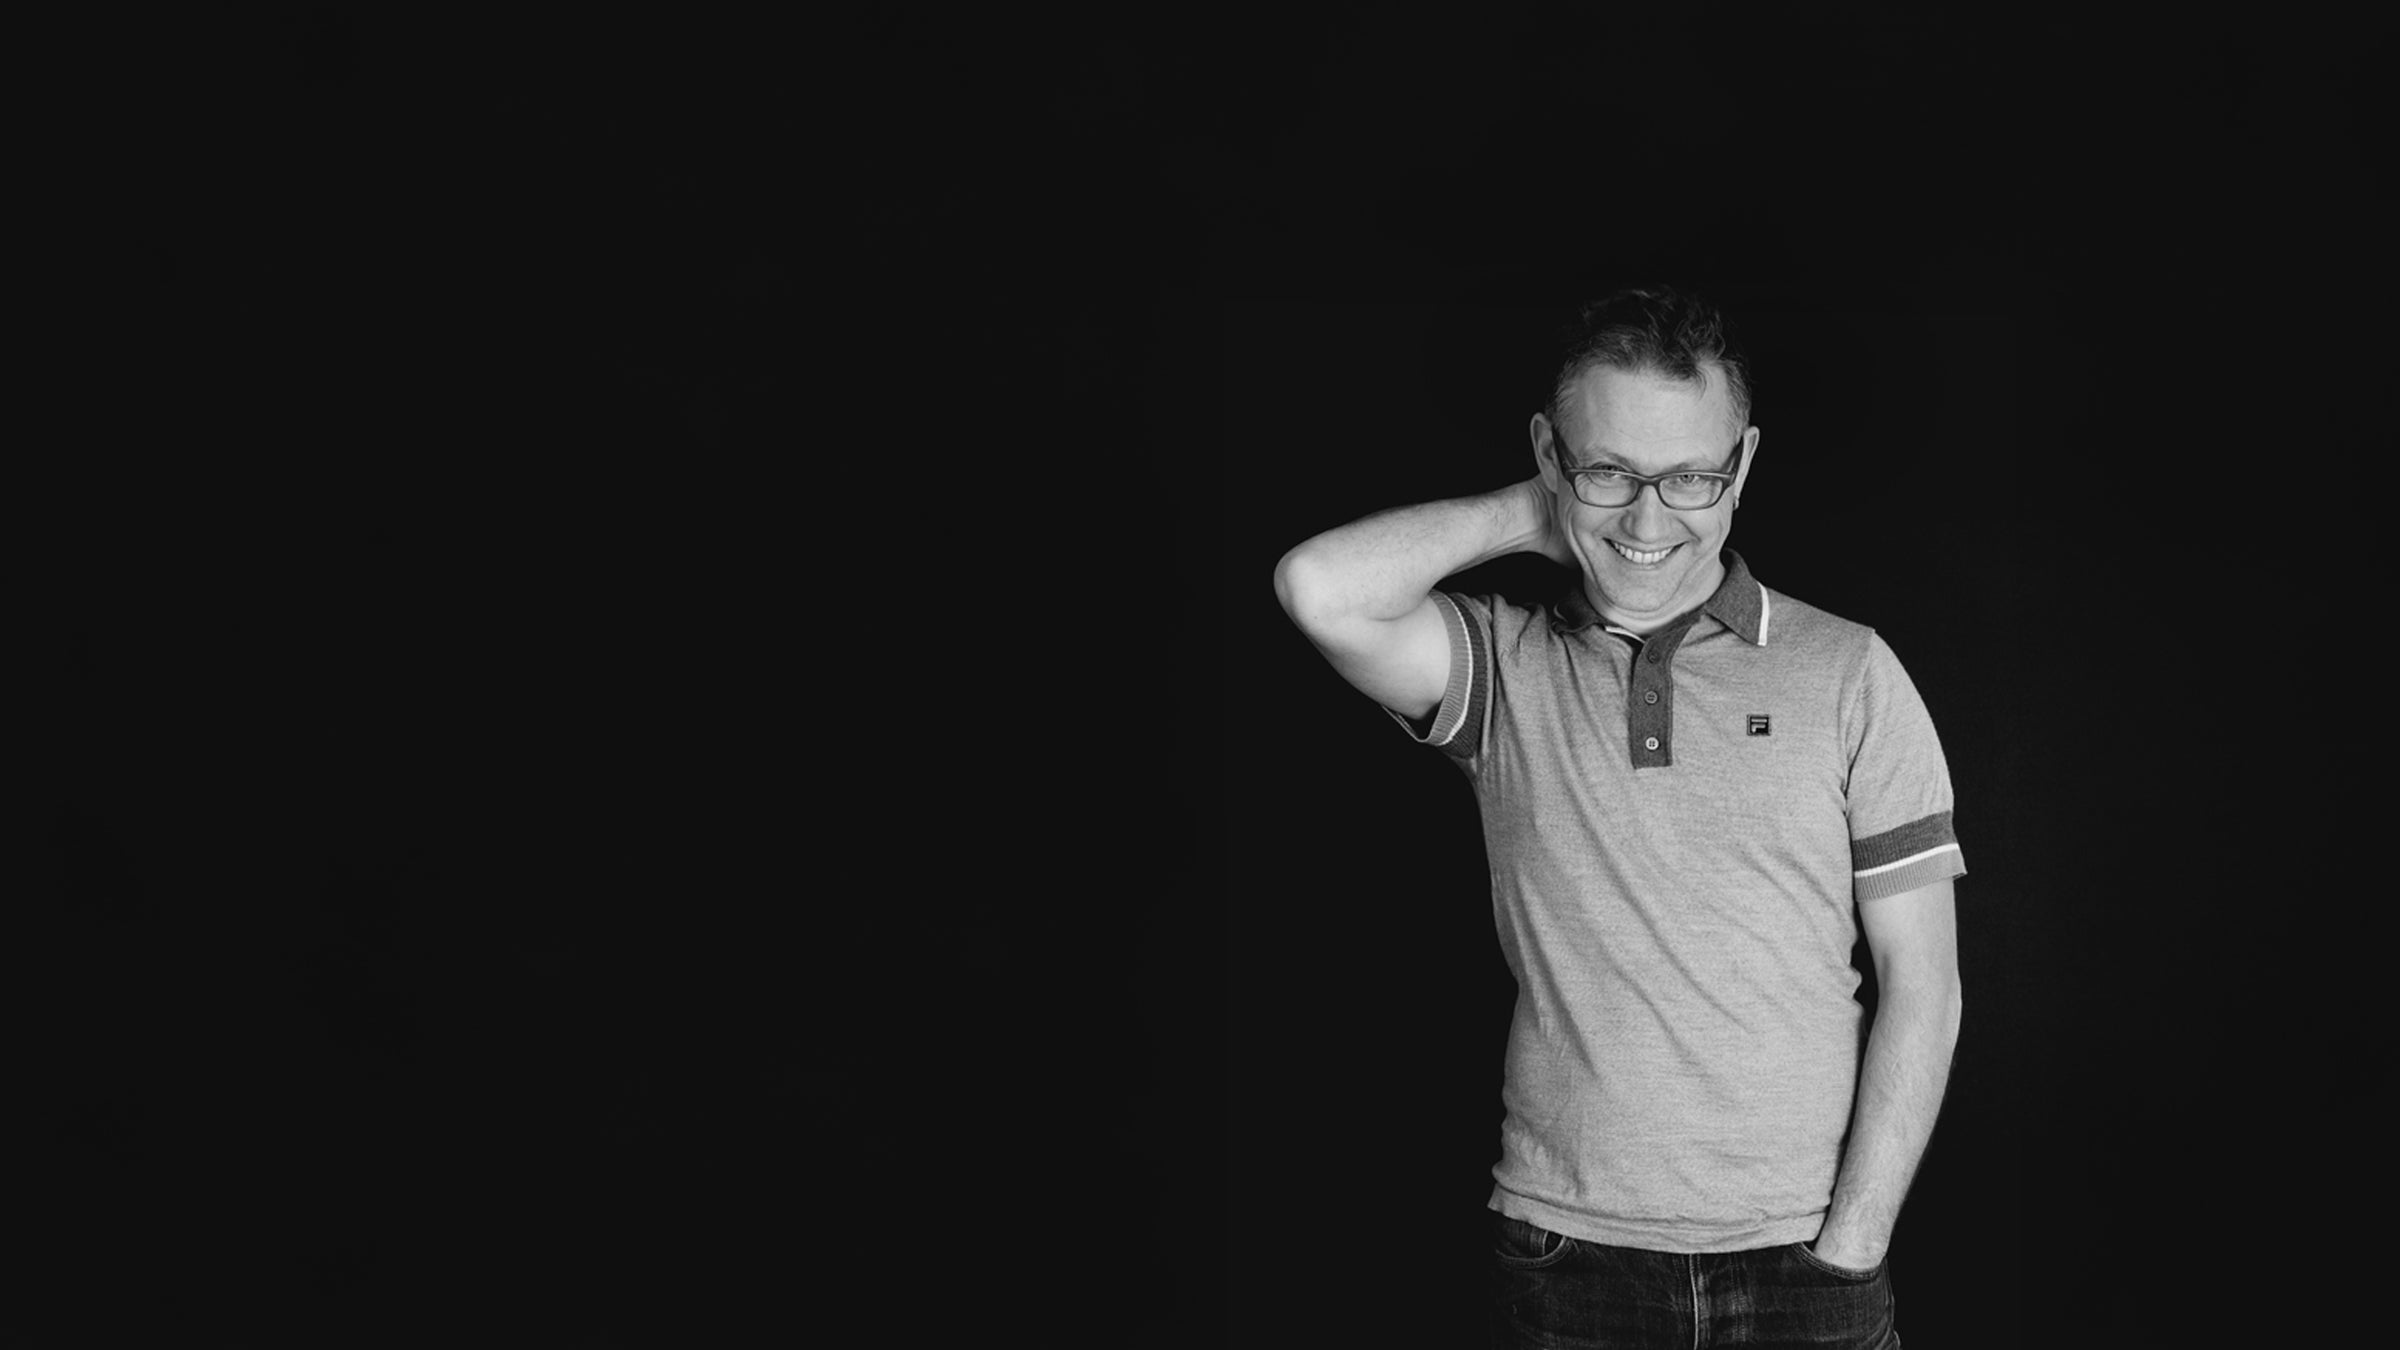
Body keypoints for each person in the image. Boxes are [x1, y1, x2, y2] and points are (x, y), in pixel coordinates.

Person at [1272, 287, 1963, 1349]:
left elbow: (1925, 985)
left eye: (1690, 477)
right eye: (1610, 471)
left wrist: (1853, 1244)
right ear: (1549, 453)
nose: (1648, 521)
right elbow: (1318, 586)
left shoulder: (1851, 672)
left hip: (1807, 1262)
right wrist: (1539, 508)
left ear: (1742, 464)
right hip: (1567, 1262)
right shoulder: (1506, 667)